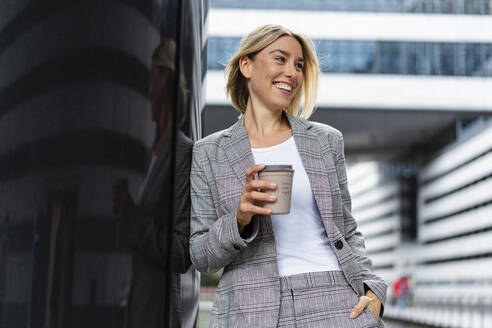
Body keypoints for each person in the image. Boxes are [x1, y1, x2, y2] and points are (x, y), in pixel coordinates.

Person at [190, 25, 387, 327]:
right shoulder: (208, 153)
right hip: (250, 308)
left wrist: (373, 291)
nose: (292, 73)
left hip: (335, 301)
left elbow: (346, 229)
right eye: (280, 59)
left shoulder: (325, 141)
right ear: (247, 65)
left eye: (298, 65)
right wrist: (239, 219)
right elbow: (201, 257)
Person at [113, 40, 199, 327]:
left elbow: (181, 250)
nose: (148, 90)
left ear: (164, 79)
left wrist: (133, 216)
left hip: (158, 314)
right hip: (136, 309)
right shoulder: (153, 153)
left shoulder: (183, 152)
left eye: (151, 78)